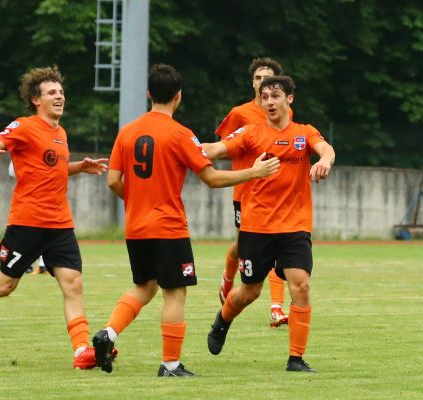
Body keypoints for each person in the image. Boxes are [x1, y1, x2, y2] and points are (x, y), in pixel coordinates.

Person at [91, 64, 280, 377]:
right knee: (175, 293)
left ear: (149, 94)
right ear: (178, 96)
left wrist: (139, 200)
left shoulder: (127, 131)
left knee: (144, 286)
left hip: (135, 226)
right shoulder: (181, 135)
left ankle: (107, 334)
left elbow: (113, 180)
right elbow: (213, 178)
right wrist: (253, 172)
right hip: (168, 226)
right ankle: (170, 364)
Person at [0, 65, 110, 370]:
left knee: (73, 284)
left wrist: (80, 166)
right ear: (36, 100)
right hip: (27, 221)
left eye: (61, 92)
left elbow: (52, 168)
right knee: (4, 286)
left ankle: (81, 351)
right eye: (52, 92)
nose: (59, 97)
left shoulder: (60, 133)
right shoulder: (25, 126)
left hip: (60, 223)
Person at [203, 75, 335, 372]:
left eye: (275, 95)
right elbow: (216, 149)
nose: (269, 102)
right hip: (257, 226)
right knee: (249, 292)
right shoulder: (251, 132)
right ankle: (222, 321)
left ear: (290, 99)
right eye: (265, 97)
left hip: (295, 226)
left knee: (300, 284)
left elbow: (325, 148)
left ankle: (296, 359)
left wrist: (325, 160)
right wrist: (184, 147)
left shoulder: (304, 132)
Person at [214, 57, 292, 327]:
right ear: (252, 83)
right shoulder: (240, 114)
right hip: (246, 192)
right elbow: (224, 146)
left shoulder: (283, 113)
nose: (263, 83)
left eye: (268, 78)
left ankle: (276, 307)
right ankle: (227, 279)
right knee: (241, 247)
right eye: (259, 78)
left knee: (279, 248)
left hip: (277, 195)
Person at [7, 160, 47, 275]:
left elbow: (12, 172)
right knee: (34, 234)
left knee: (35, 233)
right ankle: (37, 265)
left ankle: (38, 265)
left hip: (34, 200)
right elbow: (12, 172)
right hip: (30, 200)